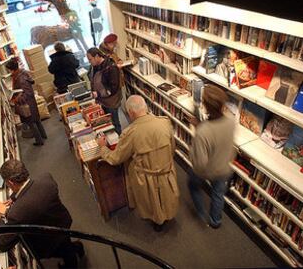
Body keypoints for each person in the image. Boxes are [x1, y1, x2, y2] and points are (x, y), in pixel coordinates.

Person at [97, 95, 179, 231]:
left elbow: (116, 158)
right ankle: (165, 217)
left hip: (146, 177)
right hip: (167, 171)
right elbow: (172, 148)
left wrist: (102, 147)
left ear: (131, 112)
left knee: (152, 201)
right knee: (166, 197)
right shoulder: (165, 122)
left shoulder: (130, 133)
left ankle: (157, 221)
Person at [0, 159, 84, 268]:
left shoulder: (17, 213)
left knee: (61, 250)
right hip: (62, 223)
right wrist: (15, 197)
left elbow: (3, 244)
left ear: (10, 182)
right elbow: (33, 194)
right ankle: (74, 250)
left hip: (46, 242)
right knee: (65, 244)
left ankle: (72, 261)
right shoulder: (46, 178)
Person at [189, 85, 235, 229]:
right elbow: (218, 133)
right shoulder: (230, 121)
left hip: (208, 170)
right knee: (218, 194)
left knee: (193, 185)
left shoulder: (203, 132)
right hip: (224, 168)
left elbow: (200, 164)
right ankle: (215, 221)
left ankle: (202, 214)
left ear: (205, 106)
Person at [6, 58, 47, 146]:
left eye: (9, 70)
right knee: (36, 120)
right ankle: (43, 135)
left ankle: (39, 141)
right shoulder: (22, 74)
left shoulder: (20, 79)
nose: (9, 72)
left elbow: (27, 93)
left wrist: (16, 100)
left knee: (32, 123)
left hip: (27, 104)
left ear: (12, 69)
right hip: (31, 102)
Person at [87, 47, 122, 134]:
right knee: (106, 123)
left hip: (111, 102)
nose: (89, 62)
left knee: (114, 123)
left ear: (97, 56)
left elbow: (113, 88)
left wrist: (98, 93)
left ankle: (119, 141)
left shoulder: (111, 68)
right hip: (101, 100)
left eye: (90, 59)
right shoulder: (94, 67)